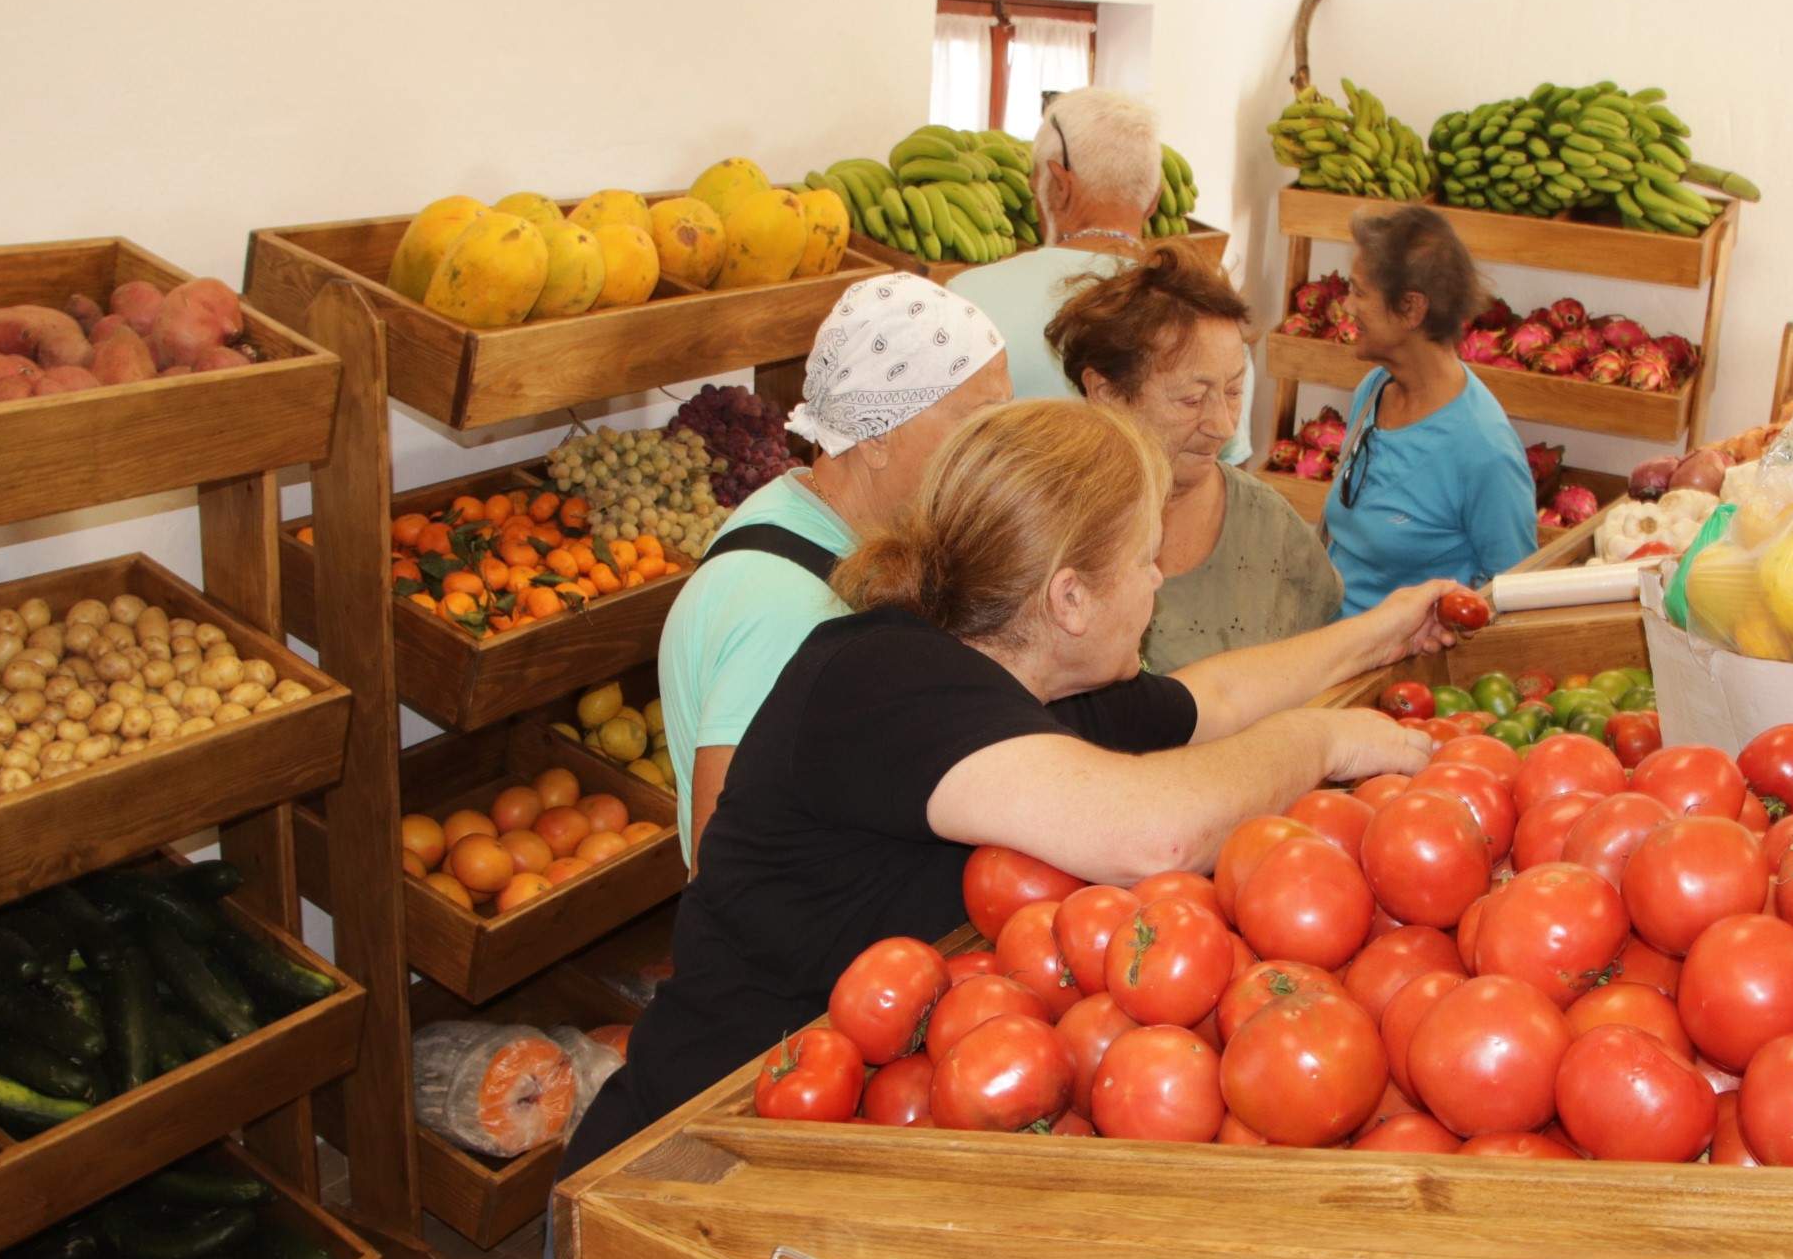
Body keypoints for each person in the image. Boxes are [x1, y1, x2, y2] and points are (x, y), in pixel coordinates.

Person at [562, 399, 1458, 1177]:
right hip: (688, 1156)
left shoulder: (1034, 677)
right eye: (1146, 561)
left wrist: (1378, 635)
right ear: (1069, 599)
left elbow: (1212, 698)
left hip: (838, 1143)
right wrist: (1318, 740)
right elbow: (1155, 833)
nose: (1156, 582)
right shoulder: (882, 678)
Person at [653, 272, 1011, 867]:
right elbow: (728, 870)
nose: (994, 447)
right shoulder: (781, 606)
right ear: (876, 435)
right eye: (976, 422)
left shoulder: (825, 519)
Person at [1046, 240, 1341, 672]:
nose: (1223, 425)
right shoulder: (1044, 526)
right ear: (1107, 393)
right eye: (1192, 399)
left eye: (1234, 390)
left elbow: (1319, 673)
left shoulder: (1272, 528)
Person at [948, 87, 1255, 464]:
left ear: (1058, 186)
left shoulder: (965, 301)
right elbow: (1229, 469)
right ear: (1155, 198)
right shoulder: (1212, 319)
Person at [1322, 204, 1537, 614]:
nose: (1347, 306)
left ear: (1411, 309)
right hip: (1329, 648)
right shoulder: (1375, 389)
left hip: (1397, 671)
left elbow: (1512, 593)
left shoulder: (1484, 450)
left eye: (1360, 292)